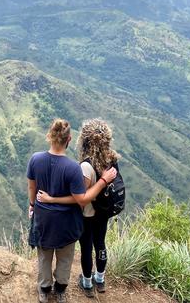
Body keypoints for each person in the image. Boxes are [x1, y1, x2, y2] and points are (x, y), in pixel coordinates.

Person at [28, 118, 117, 303]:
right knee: (65, 258)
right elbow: (82, 199)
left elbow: (32, 188)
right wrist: (103, 181)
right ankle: (60, 290)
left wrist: (32, 205)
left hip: (43, 218)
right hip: (66, 222)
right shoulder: (72, 168)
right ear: (69, 140)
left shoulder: (35, 159)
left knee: (44, 255)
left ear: (49, 136)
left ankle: (44, 290)